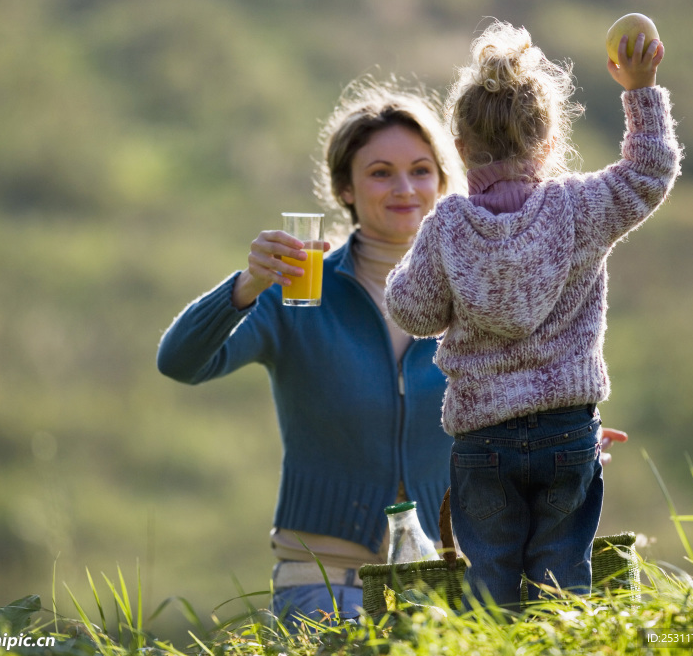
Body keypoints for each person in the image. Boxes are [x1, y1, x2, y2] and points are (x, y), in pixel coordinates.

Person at [384, 20, 682, 608]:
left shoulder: (446, 227)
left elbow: (412, 311)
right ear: (548, 144)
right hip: (568, 431)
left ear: (461, 147)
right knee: (562, 576)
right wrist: (641, 88)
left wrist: (411, 266)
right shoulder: (581, 207)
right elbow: (650, 173)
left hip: (482, 436)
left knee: (491, 583)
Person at [156, 77, 464, 623]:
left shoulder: (473, 294)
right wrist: (246, 287)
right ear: (345, 188)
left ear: (442, 182)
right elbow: (181, 363)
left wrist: (565, 435)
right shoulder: (299, 291)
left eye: (421, 170)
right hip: (323, 584)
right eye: (379, 172)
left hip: (446, 582)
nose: (405, 188)